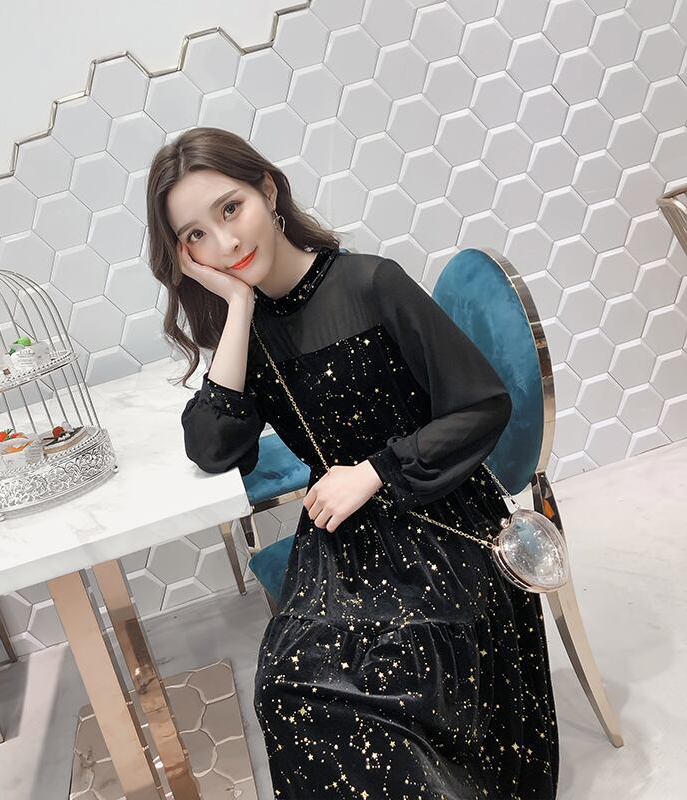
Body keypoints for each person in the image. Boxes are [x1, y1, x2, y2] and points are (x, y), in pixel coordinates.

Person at [146, 127, 559, 799]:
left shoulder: (372, 283)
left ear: (267, 190)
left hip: (439, 516)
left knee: (393, 674)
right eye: (196, 234)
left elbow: (483, 404)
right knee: (289, 684)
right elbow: (213, 446)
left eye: (231, 209)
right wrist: (240, 306)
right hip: (343, 537)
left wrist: (373, 472)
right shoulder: (247, 329)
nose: (224, 242)